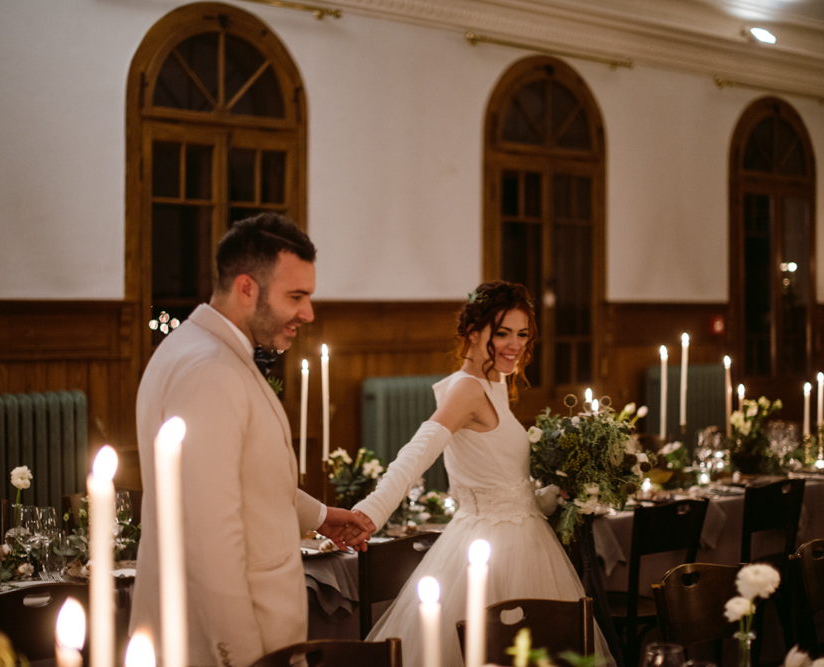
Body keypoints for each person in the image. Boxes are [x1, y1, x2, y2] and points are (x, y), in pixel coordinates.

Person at [130, 213, 372, 667]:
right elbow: (210, 539)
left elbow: (242, 477)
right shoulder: (209, 372)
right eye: (295, 297)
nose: (308, 313)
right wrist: (239, 657)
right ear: (247, 289)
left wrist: (318, 515)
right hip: (224, 646)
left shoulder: (204, 350)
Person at [349, 281, 613, 667]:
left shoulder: (495, 384)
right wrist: (371, 511)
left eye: (522, 334)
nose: (515, 344)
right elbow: (417, 452)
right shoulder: (467, 390)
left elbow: (507, 485)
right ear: (473, 333)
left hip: (526, 540)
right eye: (502, 332)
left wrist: (556, 493)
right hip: (490, 550)